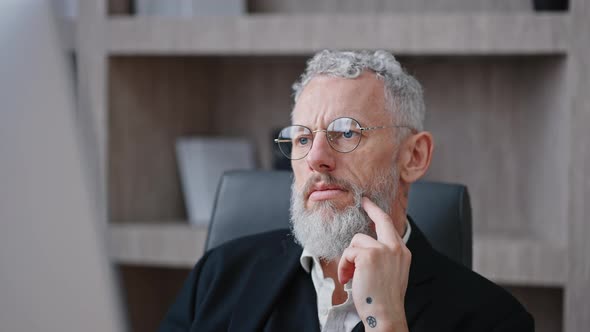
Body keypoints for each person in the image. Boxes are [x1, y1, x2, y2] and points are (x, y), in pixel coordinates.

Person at [159, 50, 534, 332]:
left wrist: (384, 319)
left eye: (347, 133)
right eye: (302, 138)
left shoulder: (494, 318)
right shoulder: (218, 275)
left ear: (413, 156)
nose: (316, 159)